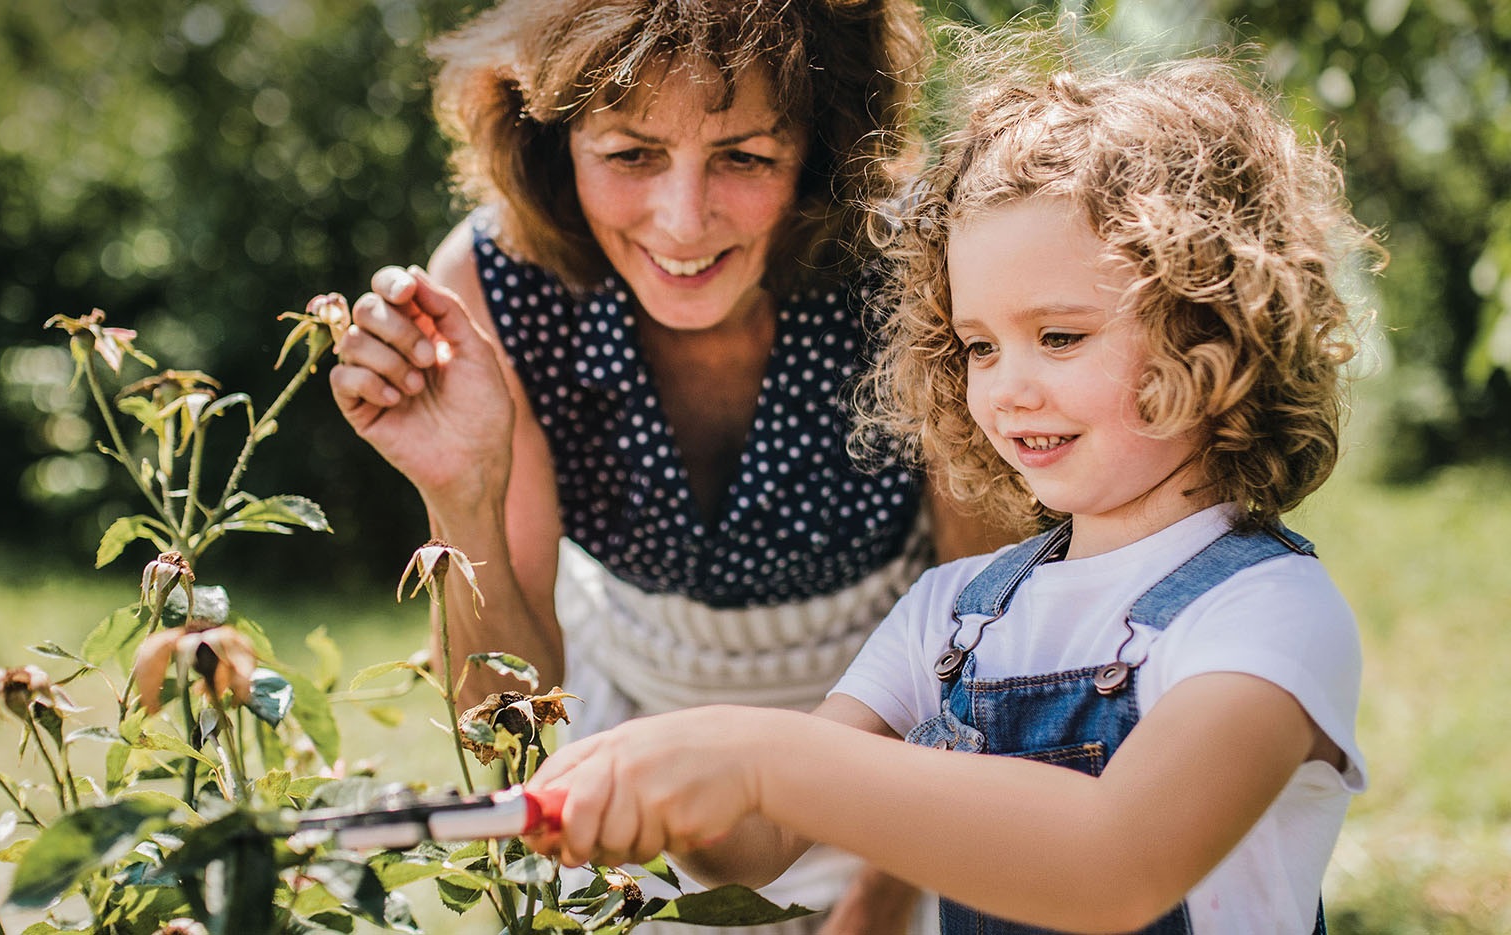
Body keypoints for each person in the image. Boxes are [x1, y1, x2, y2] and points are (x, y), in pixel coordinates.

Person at [524, 35, 1376, 935]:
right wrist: (662, 782)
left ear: (1216, 329)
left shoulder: (1266, 614)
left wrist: (757, 755)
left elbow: (1113, 865)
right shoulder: (954, 616)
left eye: (1059, 336)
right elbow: (761, 840)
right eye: (978, 345)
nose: (1006, 387)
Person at [324, 0, 1014, 929]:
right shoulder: (497, 286)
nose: (683, 221)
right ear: (550, 138)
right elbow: (507, 731)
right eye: (629, 153)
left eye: (745, 156)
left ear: (820, 147)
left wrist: (894, 879)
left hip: (893, 752)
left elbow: (983, 619)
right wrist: (462, 496)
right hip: (627, 745)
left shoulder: (912, 265)